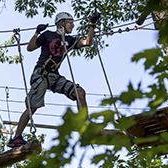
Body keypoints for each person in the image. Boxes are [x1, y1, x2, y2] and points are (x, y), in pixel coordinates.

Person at [8, 11, 101, 147]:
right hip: (41, 74)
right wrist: (37, 33)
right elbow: (30, 48)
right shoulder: (48, 35)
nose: (73, 26)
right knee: (32, 107)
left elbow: (87, 42)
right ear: (61, 23)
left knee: (80, 92)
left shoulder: (69, 40)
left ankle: (85, 125)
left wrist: (92, 24)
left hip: (54, 76)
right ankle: (16, 137)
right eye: (70, 22)